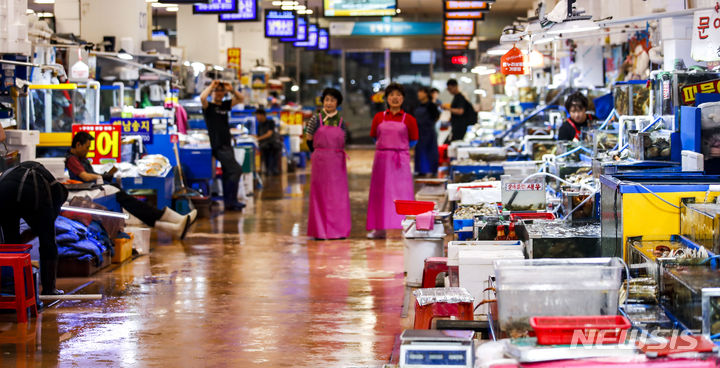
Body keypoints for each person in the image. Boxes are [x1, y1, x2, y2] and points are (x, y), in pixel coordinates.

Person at [66, 132, 196, 239]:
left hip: (99, 189)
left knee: (135, 206)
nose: (88, 151)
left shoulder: (81, 159)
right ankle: (174, 222)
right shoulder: (72, 159)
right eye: (87, 147)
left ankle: (175, 227)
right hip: (92, 192)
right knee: (134, 205)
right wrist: (101, 177)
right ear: (78, 144)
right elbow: (85, 177)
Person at [0, 161, 68, 295]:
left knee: (10, 243)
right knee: (48, 241)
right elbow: (46, 226)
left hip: (3, 188)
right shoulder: (56, 192)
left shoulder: (47, 181)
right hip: (31, 188)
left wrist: (26, 235)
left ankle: (10, 288)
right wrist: (34, 232)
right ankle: (49, 289)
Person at [366, 83, 419, 239]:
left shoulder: (409, 119)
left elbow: (414, 140)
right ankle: (379, 229)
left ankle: (407, 227)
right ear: (386, 98)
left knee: (403, 194)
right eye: (391, 95)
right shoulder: (378, 117)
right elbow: (375, 137)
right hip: (381, 161)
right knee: (379, 194)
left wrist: (400, 149)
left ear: (403, 98)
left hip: (400, 160)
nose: (395, 98)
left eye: (398, 95)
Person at [305, 88, 351, 240]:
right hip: (320, 162)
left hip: (337, 162)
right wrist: (320, 152)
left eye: (332, 100)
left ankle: (338, 231)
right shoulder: (315, 119)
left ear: (337, 103)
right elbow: (309, 139)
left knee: (337, 196)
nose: (329, 103)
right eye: (326, 100)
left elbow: (344, 140)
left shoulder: (342, 122)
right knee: (320, 195)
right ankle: (320, 230)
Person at [200, 80, 245, 211]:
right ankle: (231, 201)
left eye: (221, 91)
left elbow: (241, 99)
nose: (219, 93)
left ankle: (230, 203)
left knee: (228, 173)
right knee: (236, 170)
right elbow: (203, 97)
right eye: (216, 91)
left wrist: (231, 90)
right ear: (212, 92)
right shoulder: (208, 107)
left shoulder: (225, 105)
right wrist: (211, 86)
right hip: (218, 146)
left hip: (227, 144)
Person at [414, 87, 440, 177]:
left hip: (429, 132)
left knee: (430, 152)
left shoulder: (431, 105)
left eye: (420, 92)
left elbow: (436, 117)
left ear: (426, 94)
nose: (419, 94)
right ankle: (421, 171)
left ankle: (433, 171)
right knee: (420, 152)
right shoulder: (418, 105)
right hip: (419, 132)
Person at [255, 108, 282, 176]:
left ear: (262, 115)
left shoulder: (270, 122)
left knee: (274, 151)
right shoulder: (259, 125)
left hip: (273, 143)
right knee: (264, 153)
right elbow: (258, 135)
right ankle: (267, 170)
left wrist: (258, 138)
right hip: (264, 145)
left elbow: (269, 133)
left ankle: (274, 170)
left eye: (257, 115)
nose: (257, 117)